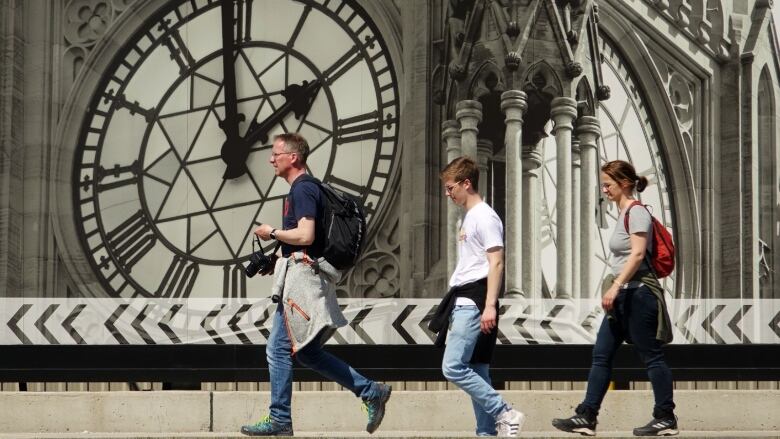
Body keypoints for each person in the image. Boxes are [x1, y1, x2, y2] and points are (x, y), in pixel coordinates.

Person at [240, 133, 391, 436]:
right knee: (307, 353)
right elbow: (308, 242)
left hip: (301, 282)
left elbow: (306, 235)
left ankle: (280, 418)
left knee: (277, 350)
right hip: (303, 276)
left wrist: (273, 232)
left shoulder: (303, 189)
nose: (271, 159)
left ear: (293, 157)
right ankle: (370, 390)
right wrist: (277, 260)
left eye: (276, 153)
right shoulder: (307, 188)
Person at [551, 160, 677, 437]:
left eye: (608, 184)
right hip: (622, 296)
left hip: (639, 295)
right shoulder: (623, 214)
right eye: (603, 184)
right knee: (601, 355)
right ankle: (587, 416)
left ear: (624, 184)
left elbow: (637, 254)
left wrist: (615, 286)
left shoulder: (637, 212)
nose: (604, 189)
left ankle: (665, 418)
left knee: (651, 356)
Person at [429, 156, 525, 437]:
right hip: (470, 300)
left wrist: (489, 306)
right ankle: (487, 433)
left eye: (450, 188)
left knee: (453, 367)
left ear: (466, 183)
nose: (448, 194)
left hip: (473, 301)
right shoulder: (471, 217)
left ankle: (504, 411)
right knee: (478, 369)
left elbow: (496, 262)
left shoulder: (484, 216)